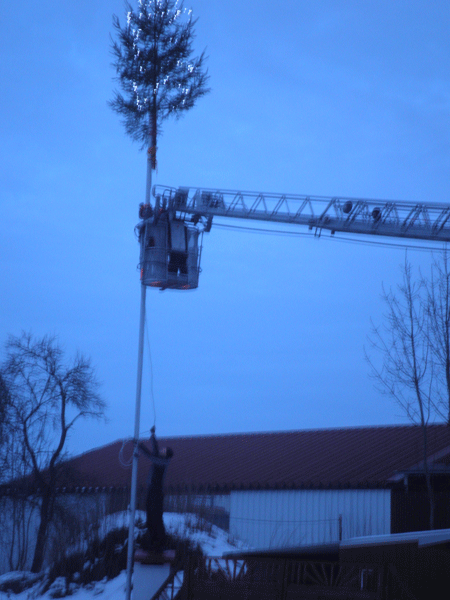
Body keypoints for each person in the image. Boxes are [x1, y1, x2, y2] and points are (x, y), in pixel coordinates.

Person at [138, 427, 173, 553]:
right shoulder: (161, 458)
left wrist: (140, 446)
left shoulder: (163, 462)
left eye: (165, 450)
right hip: (152, 490)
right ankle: (153, 540)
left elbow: (150, 456)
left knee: (156, 517)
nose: (162, 450)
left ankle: (159, 542)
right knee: (150, 516)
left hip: (156, 493)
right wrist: (152, 435)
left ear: (166, 454)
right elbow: (155, 449)